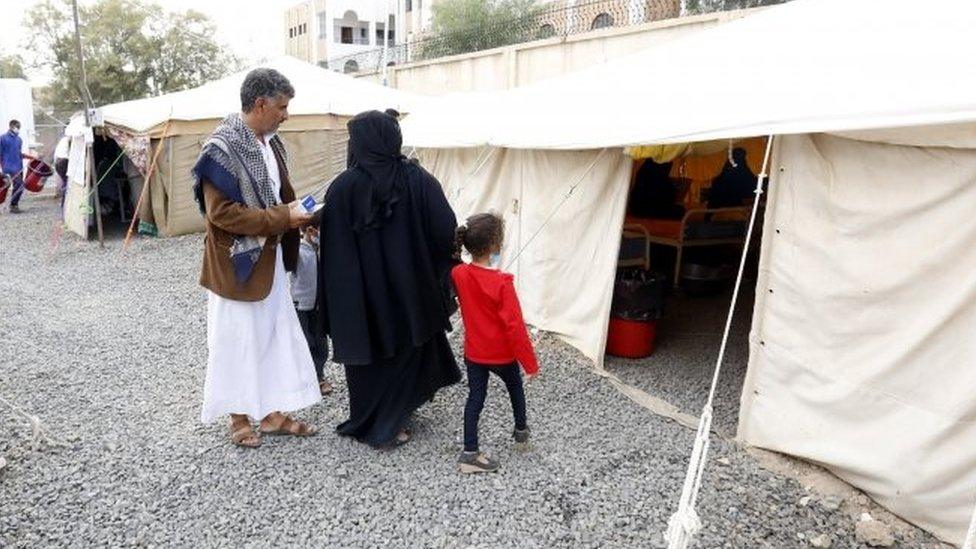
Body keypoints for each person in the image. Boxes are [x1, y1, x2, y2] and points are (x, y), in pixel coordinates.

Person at [192, 68, 321, 448]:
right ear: (261, 103)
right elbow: (223, 214)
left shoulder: (270, 142)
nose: (285, 115)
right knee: (237, 340)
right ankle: (238, 416)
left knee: (270, 335)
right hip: (237, 264)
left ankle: (269, 414)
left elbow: (276, 195)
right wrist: (285, 217)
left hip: (272, 258)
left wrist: (300, 217)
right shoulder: (220, 149)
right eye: (281, 107)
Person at [318, 110, 461, 448]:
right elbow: (445, 230)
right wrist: (435, 267)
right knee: (409, 343)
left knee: (372, 354)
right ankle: (390, 420)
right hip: (411, 291)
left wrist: (339, 300)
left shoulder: (343, 188)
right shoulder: (418, 179)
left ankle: (381, 419)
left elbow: (334, 251)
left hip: (362, 296)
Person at [451, 213, 539, 474]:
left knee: (475, 398)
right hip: (501, 354)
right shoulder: (502, 283)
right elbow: (515, 328)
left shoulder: (458, 273)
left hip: (475, 352)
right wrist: (530, 364)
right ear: (494, 245)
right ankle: (521, 431)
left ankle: (469, 452)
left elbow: (459, 268)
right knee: (515, 388)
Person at [290, 225, 333, 396]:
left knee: (321, 342)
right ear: (308, 231)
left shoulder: (324, 248)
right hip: (300, 304)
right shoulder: (298, 250)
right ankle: (306, 379)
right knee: (306, 341)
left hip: (319, 304)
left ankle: (319, 375)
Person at [1, 120, 37, 214]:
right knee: (15, 185)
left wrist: (32, 157)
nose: (18, 129)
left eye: (19, 127)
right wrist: (2, 167)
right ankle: (13, 205)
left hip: (18, 167)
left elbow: (19, 154)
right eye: (17, 127)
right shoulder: (3, 138)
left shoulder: (19, 140)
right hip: (8, 167)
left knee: (19, 186)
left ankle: (14, 205)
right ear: (11, 126)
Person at [53, 135, 70, 214]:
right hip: (63, 162)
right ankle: (65, 204)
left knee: (64, 182)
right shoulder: (69, 139)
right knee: (67, 183)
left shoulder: (63, 140)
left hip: (58, 162)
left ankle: (64, 204)